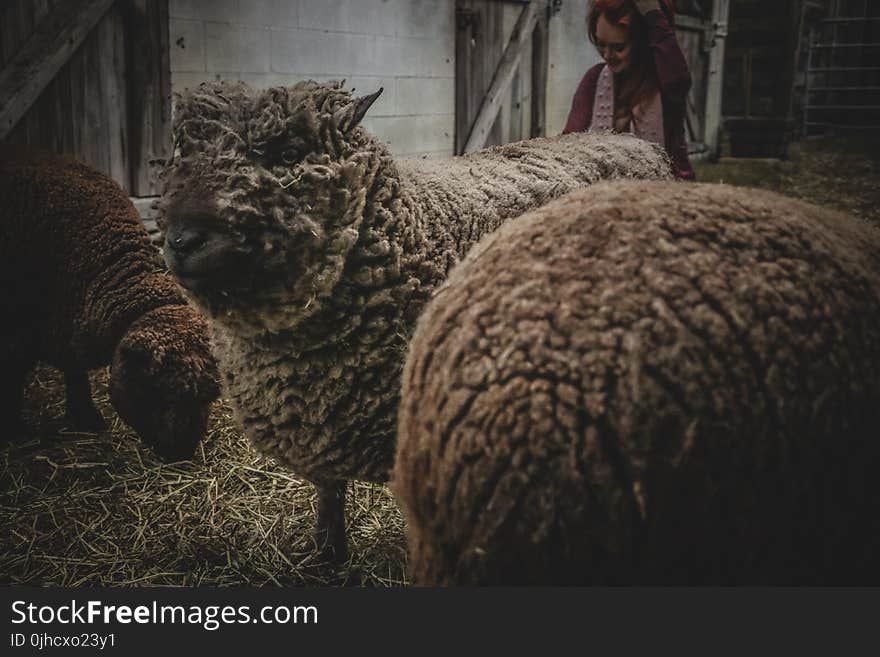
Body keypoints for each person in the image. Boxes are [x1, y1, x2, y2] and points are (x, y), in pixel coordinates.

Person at [564, 0, 695, 180]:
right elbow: (569, 139)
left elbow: (679, 77)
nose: (607, 55)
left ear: (642, 45)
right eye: (601, 44)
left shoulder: (664, 84)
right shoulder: (595, 78)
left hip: (666, 193)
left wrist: (652, 13)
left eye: (618, 48)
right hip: (605, 192)